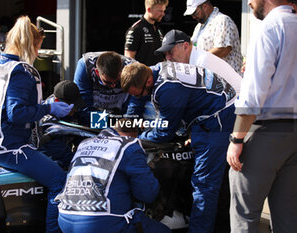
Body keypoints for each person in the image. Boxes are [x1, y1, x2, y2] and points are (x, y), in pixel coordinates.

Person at [0, 16, 72, 233]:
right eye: (38, 46)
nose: (38, 52)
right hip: (10, 148)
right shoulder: (22, 72)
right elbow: (16, 113)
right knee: (61, 181)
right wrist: (49, 109)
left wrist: (43, 104)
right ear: (30, 44)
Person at [121, 62, 236, 233]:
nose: (138, 98)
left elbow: (164, 132)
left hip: (217, 119)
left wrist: (137, 138)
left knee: (204, 185)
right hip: (216, 109)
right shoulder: (156, 69)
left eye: (139, 95)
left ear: (148, 82)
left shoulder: (167, 88)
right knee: (212, 180)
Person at [155, 28, 242, 232]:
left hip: (234, 119)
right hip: (230, 119)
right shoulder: (192, 62)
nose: (168, 58)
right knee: (217, 185)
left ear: (186, 46)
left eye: (170, 52)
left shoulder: (201, 63)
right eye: (165, 54)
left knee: (206, 186)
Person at [226, 1, 297, 232]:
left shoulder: (268, 28)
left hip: (265, 131)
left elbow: (252, 96)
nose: (249, 2)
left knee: (244, 216)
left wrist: (236, 140)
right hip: (292, 134)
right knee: (288, 217)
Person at [55, 118, 171, 233]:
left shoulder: (84, 143)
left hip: (64, 219)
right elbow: (147, 194)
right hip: (101, 223)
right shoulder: (129, 145)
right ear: (134, 134)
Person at [73, 51, 135, 125]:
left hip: (121, 109)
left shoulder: (132, 69)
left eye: (117, 81)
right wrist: (99, 126)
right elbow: (83, 100)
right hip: (94, 108)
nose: (113, 86)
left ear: (121, 71)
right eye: (108, 82)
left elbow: (135, 101)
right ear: (97, 72)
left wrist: (126, 122)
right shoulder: (85, 66)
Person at [184, 0, 243, 74]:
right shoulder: (198, 27)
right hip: (211, 80)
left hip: (227, 81)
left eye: (195, 13)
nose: (193, 17)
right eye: (191, 14)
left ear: (205, 6)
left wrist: (198, 59)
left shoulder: (222, 20)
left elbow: (223, 49)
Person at [40, 80, 85, 169]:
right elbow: (61, 154)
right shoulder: (46, 121)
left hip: (67, 156)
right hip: (50, 162)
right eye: (72, 106)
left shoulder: (74, 112)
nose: (75, 109)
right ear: (56, 101)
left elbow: (84, 129)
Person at [124, 0, 168, 66]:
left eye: (164, 11)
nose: (163, 14)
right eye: (160, 11)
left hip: (158, 74)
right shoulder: (136, 29)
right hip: (142, 75)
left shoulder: (158, 30)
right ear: (149, 10)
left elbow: (161, 56)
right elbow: (129, 58)